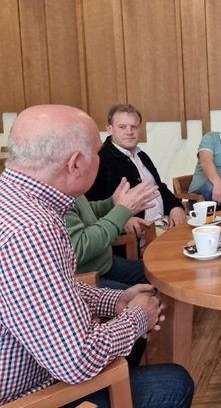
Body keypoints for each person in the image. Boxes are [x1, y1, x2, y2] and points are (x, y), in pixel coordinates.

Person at [0, 104, 193, 406]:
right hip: (32, 394)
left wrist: (113, 300)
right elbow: (76, 361)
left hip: (40, 362)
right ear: (76, 163)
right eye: (97, 153)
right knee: (174, 383)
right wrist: (138, 318)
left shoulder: (14, 200)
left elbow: (50, 286)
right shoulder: (33, 230)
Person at [86, 104, 186, 235]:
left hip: (165, 221)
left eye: (134, 127)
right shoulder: (99, 159)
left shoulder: (141, 155)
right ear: (109, 129)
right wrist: (121, 219)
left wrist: (175, 206)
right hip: (141, 232)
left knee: (208, 233)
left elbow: (158, 186)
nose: (129, 132)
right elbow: (90, 205)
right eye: (122, 127)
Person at [66, 177, 158, 290]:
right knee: (148, 297)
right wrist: (122, 211)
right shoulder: (55, 197)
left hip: (104, 264)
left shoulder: (64, 185)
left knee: (161, 274)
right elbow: (80, 248)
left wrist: (112, 203)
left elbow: (87, 211)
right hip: (85, 280)